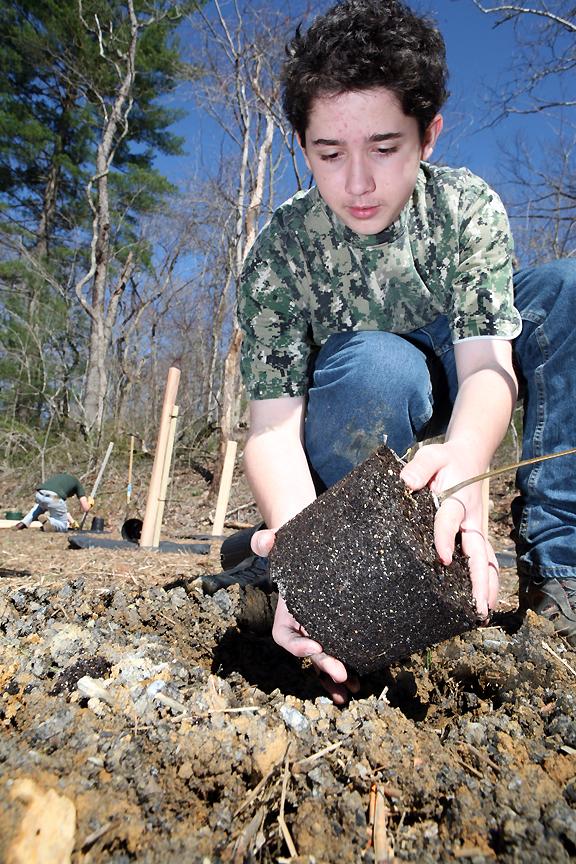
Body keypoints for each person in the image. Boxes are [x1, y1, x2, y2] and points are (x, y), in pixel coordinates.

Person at [217, 0, 576, 703]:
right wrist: (306, 560)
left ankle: (562, 573)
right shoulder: (281, 255)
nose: (357, 182)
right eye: (329, 153)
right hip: (364, 388)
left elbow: (485, 364)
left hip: (454, 364)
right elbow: (271, 430)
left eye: (385, 148)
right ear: (300, 142)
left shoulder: (467, 209)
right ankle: (336, 573)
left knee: (566, 290)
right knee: (377, 367)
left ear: (428, 136)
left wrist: (468, 460)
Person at [14, 472, 93, 533]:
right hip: (54, 498)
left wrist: (72, 522)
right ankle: (49, 521)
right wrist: (90, 503)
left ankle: (23, 523)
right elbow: (85, 508)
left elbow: (63, 511)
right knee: (63, 525)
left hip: (40, 494)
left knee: (39, 507)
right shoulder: (77, 484)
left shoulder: (61, 479)